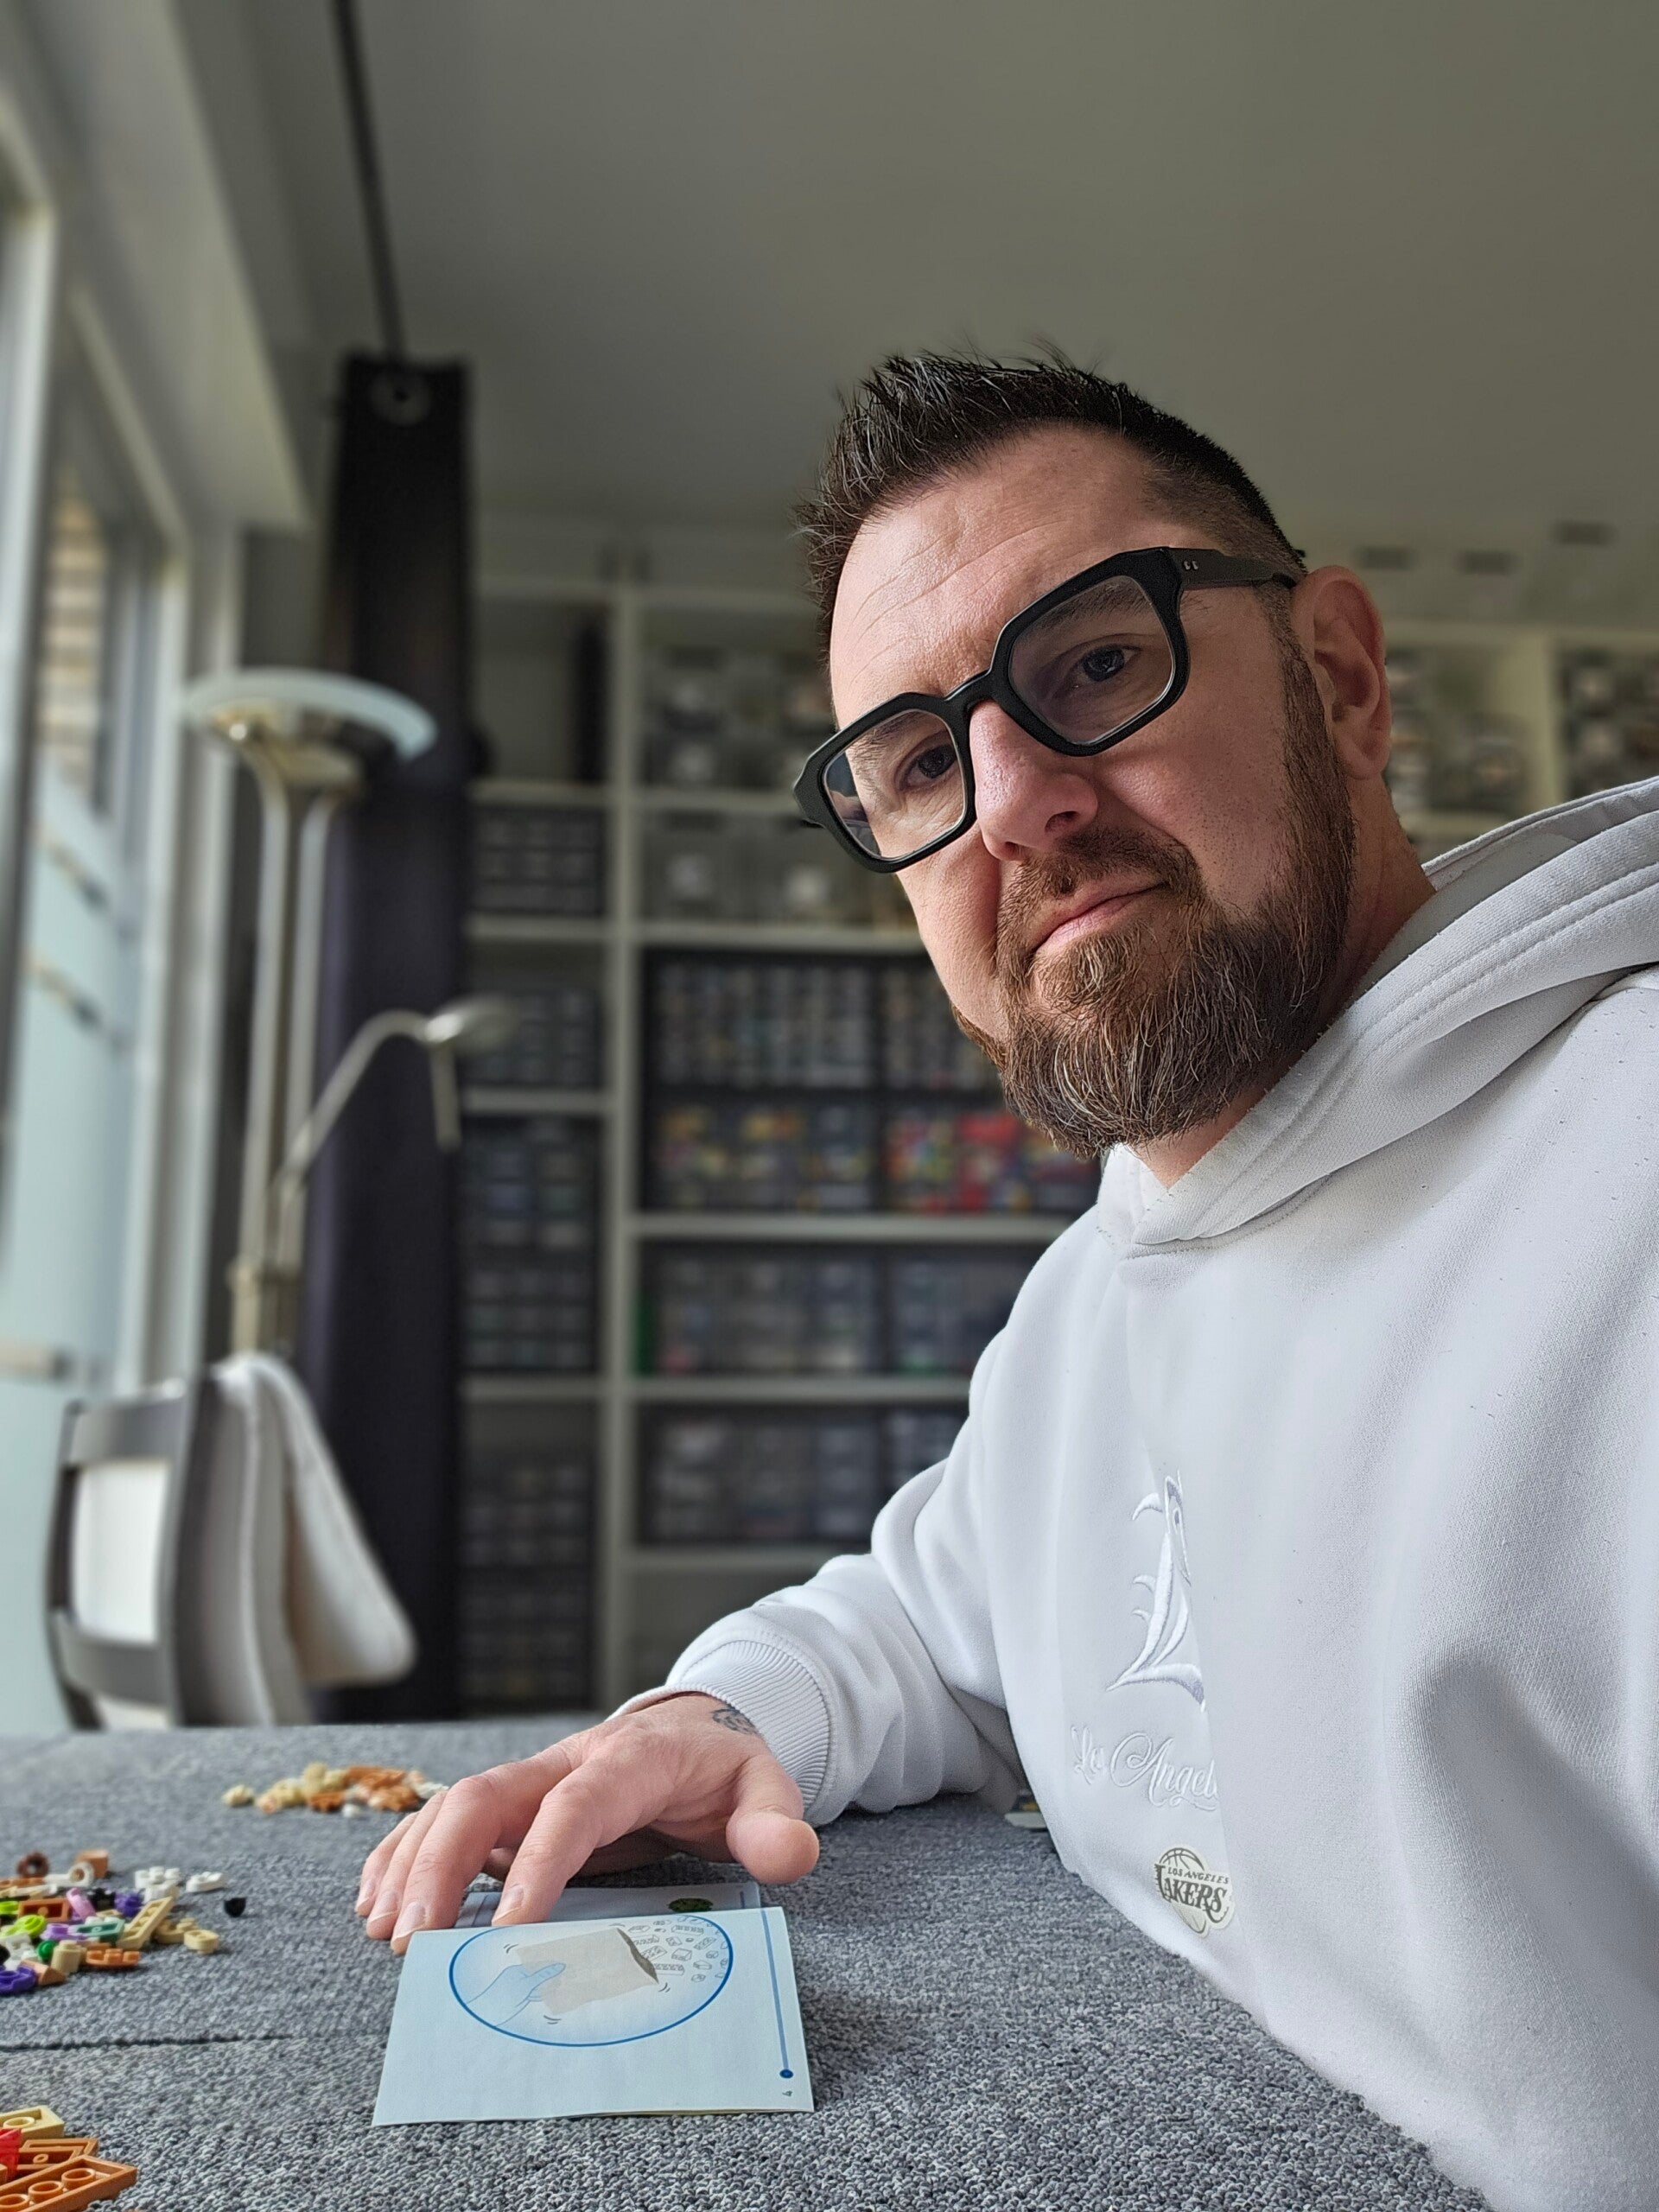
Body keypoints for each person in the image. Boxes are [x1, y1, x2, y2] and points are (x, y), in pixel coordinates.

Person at [357, 353, 1659, 2211]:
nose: (1011, 803)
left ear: (1342, 678)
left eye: (1098, 664)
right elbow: (930, 1622)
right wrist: (712, 1718)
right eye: (915, 762)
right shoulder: (1089, 1300)